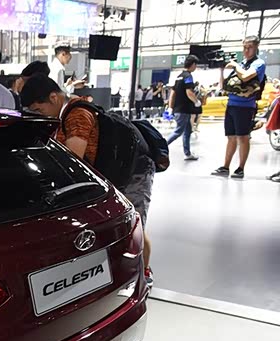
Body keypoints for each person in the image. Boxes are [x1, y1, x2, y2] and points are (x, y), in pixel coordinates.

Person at [21, 74, 155, 287]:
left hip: (135, 174)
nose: (39, 114)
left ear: (54, 98)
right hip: (112, 174)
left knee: (133, 223)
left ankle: (143, 274)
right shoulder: (68, 111)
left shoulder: (77, 115)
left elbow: (72, 160)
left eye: (39, 109)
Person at [212, 36, 266, 179]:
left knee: (243, 137)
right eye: (244, 47)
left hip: (245, 106)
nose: (246, 51)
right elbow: (224, 86)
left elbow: (246, 77)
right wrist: (222, 70)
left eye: (250, 47)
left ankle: (240, 168)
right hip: (231, 104)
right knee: (231, 137)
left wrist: (235, 65)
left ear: (256, 47)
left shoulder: (258, 63)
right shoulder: (241, 64)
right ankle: (225, 166)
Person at [166, 55, 200, 161]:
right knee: (178, 131)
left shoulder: (179, 76)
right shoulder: (188, 76)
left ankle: (187, 153)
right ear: (193, 64)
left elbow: (173, 93)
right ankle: (161, 147)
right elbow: (189, 92)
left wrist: (170, 107)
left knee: (187, 131)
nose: (196, 67)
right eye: (196, 65)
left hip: (179, 109)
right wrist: (196, 101)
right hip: (184, 109)